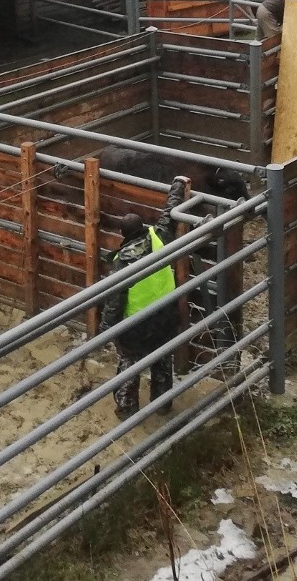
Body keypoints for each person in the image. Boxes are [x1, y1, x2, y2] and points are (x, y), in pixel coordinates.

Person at [100, 176, 188, 418]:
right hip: (165, 315)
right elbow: (170, 212)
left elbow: (115, 300)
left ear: (122, 234)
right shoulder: (159, 236)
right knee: (162, 360)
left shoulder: (122, 262)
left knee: (129, 363)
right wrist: (178, 185)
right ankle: (163, 404)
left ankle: (127, 408)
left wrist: (106, 328)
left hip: (136, 324)